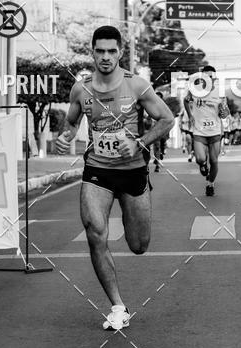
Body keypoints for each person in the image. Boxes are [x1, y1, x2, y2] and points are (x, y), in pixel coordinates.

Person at [56, 25, 174, 330]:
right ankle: (118, 306)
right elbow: (70, 123)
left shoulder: (137, 86)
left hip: (133, 170)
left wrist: (139, 142)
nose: (106, 57)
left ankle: (121, 294)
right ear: (92, 52)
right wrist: (64, 137)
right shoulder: (80, 89)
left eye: (111, 51)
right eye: (100, 51)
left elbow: (166, 119)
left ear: (120, 52)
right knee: (95, 232)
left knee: (139, 245)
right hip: (97, 171)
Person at [183, 65, 230, 197]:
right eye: (206, 76)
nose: (209, 78)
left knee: (214, 161)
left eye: (211, 76)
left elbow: (225, 113)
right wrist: (190, 116)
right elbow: (185, 101)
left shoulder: (220, 93)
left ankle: (210, 184)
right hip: (199, 131)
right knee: (200, 158)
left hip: (215, 132)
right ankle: (203, 165)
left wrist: (224, 111)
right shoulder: (195, 90)